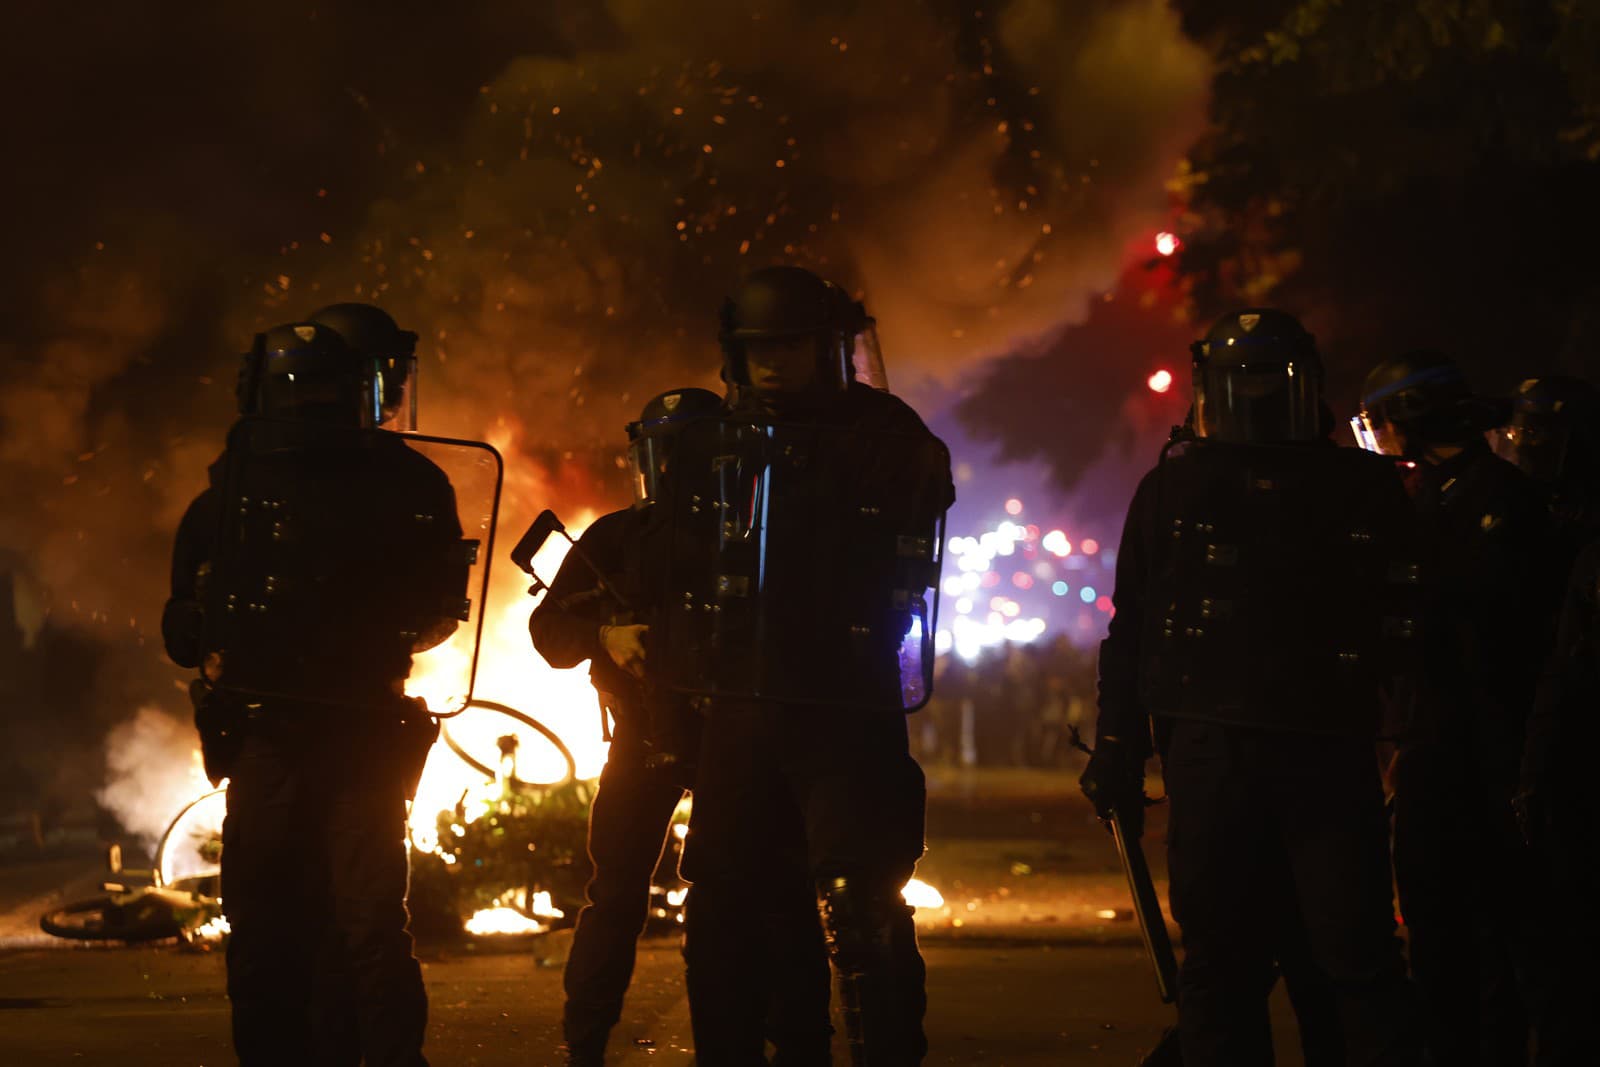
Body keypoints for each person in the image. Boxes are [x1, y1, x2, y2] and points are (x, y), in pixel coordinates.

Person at [1083, 309, 1421, 1066]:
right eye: (1244, 385)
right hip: (1224, 750)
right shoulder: (1172, 488)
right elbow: (1136, 629)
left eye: (1272, 385)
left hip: (1317, 748)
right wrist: (1117, 743)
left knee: (1347, 961)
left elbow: (1406, 624)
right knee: (1224, 965)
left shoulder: (1359, 488)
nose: (1260, 403)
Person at [163, 318, 471, 1066]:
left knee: (319, 927)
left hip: (329, 737)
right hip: (304, 737)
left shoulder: (232, 493)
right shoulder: (245, 494)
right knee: (331, 926)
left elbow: (183, 633)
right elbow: (435, 616)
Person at [675, 266, 954, 1065]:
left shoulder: (889, 439)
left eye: (792, 343)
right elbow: (675, 563)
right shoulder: (708, 443)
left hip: (843, 700)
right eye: (758, 346)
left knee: (859, 899)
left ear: (832, 347)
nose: (773, 361)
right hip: (739, 704)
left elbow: (912, 530)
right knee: (726, 902)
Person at [1356, 351, 1562, 1064]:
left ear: (1410, 419)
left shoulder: (1497, 500)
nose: (1375, 435)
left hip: (1484, 754)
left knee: (1496, 937)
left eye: (1380, 419)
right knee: (1439, 932)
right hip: (1434, 746)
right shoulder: (1432, 495)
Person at [529, 387, 738, 1066]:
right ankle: (583, 1043)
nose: (677, 471)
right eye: (665, 454)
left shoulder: (752, 537)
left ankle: (728, 1042)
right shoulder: (615, 539)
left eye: (691, 454)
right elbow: (550, 632)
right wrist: (605, 635)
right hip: (641, 736)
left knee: (728, 894)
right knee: (615, 895)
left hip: (734, 742)